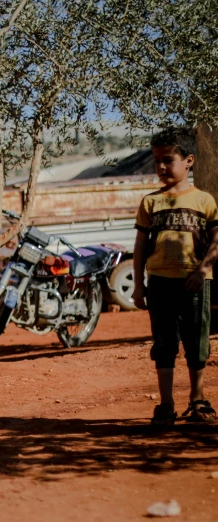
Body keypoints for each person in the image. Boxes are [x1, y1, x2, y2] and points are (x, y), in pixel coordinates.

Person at [133, 126, 218, 427]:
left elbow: (216, 241)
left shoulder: (204, 201)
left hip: (195, 282)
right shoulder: (150, 203)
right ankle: (166, 405)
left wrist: (202, 271)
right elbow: (141, 245)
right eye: (157, 161)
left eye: (168, 160)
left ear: (189, 160)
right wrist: (138, 287)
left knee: (197, 343)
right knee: (164, 343)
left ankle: (198, 399)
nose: (161, 167)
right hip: (159, 282)